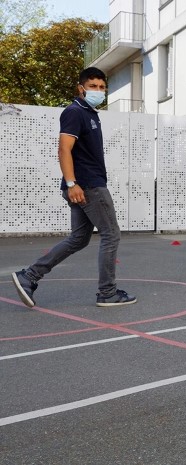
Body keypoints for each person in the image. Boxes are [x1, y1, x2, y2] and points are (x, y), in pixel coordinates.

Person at [11, 67, 137, 309]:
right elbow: (63, 149)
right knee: (111, 234)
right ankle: (107, 292)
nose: (98, 91)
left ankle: (29, 276)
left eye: (102, 87)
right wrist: (71, 183)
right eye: (93, 86)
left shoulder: (90, 114)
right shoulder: (74, 112)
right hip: (87, 186)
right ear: (81, 88)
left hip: (85, 184)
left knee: (79, 238)